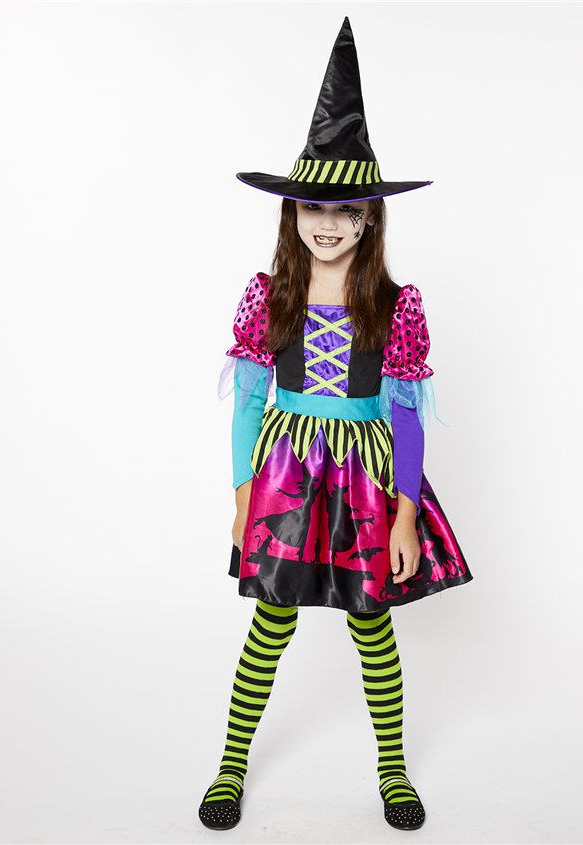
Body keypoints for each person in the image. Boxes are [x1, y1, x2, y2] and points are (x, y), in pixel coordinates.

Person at [198, 17, 473, 832]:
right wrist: (243, 495)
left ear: (368, 219)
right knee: (269, 622)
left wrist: (405, 512)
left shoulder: (394, 305)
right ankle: (230, 763)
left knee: (370, 623)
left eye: (345, 209)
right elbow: (250, 403)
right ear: (291, 213)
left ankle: (392, 768)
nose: (328, 222)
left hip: (362, 478)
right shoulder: (268, 295)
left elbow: (406, 419)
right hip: (285, 475)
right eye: (313, 207)